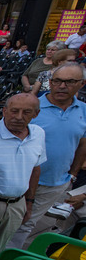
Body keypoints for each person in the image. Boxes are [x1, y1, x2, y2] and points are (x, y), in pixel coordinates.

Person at [9, 63, 86, 247]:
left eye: (69, 82)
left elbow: (83, 143)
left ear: (81, 84)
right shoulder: (32, 107)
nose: (62, 86)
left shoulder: (83, 110)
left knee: (27, 225)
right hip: (21, 180)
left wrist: (73, 174)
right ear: (49, 82)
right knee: (8, 222)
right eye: (57, 81)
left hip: (55, 182)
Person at [0, 93, 46, 260]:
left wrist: (29, 202)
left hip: (16, 205)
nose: (19, 117)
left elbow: (35, 169)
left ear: (36, 114)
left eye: (26, 112)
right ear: (4, 111)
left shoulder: (38, 134)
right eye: (14, 111)